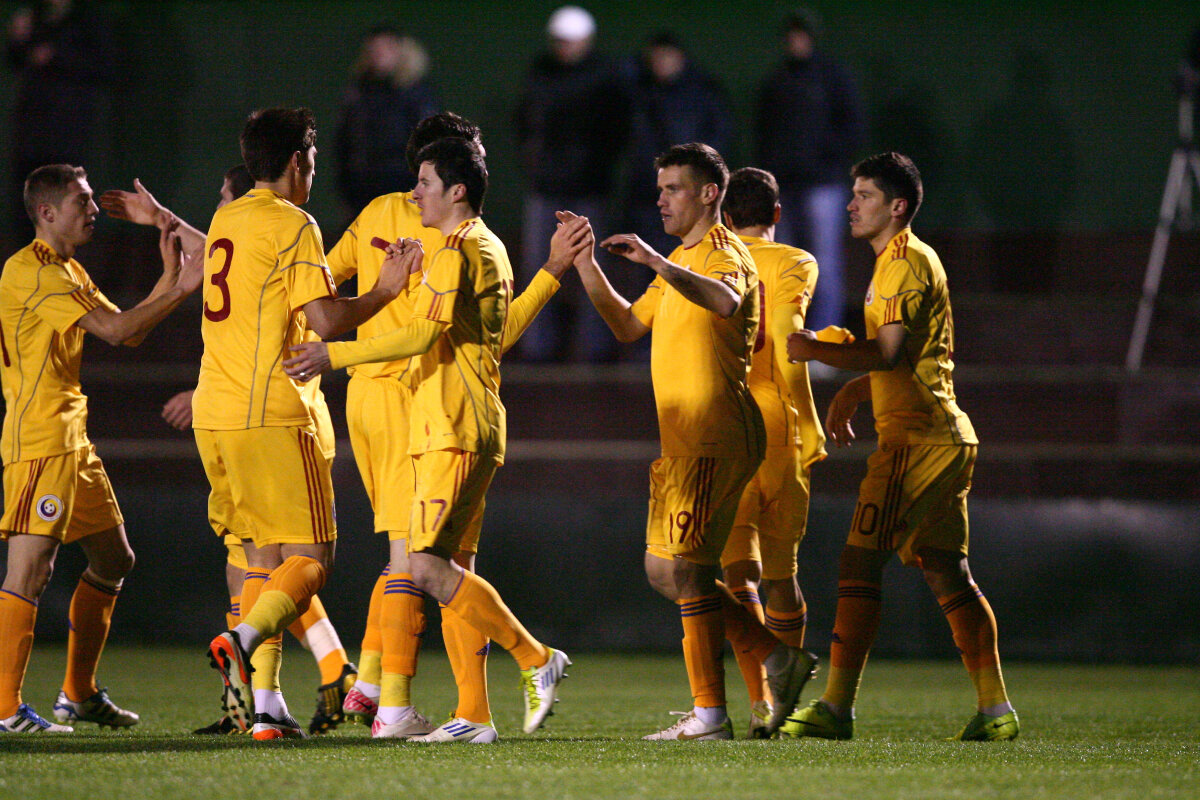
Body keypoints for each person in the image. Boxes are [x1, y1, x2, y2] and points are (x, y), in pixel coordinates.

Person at [285, 137, 581, 744]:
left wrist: (332, 353)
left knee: (419, 565)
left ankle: (533, 659)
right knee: (448, 568)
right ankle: (472, 714)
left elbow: (421, 337)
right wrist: (551, 274)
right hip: (460, 423)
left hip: (452, 426)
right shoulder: (481, 246)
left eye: (423, 182)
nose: (413, 191)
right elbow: (490, 339)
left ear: (456, 190)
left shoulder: (457, 250)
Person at [562, 143, 816, 740]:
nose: (661, 198)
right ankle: (777, 658)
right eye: (659, 188)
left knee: (689, 568)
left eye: (673, 187)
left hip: (717, 432)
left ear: (709, 193)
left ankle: (710, 714)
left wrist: (656, 261)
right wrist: (584, 264)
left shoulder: (727, 254)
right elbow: (626, 325)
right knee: (664, 570)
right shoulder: (682, 257)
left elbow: (726, 300)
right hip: (682, 439)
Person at [99, 164, 359, 736]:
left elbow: (278, 315)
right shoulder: (265, 235)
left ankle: (296, 677)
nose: (219, 210)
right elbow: (223, 262)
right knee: (258, 563)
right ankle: (270, 701)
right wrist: (161, 220)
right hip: (249, 413)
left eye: (224, 196)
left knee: (275, 563)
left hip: (274, 416)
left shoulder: (288, 236)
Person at [782, 152, 1018, 741]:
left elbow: (887, 353)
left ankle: (835, 707)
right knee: (946, 571)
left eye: (863, 195)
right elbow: (910, 357)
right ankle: (996, 712)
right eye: (852, 192)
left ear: (898, 206)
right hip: (937, 436)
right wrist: (858, 390)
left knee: (859, 561)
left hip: (917, 443)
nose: (851, 204)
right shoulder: (898, 262)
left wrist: (815, 351)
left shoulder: (905, 263)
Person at [194, 107, 410, 741]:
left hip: (216, 413)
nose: (312, 174)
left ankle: (265, 710)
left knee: (262, 559)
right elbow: (324, 320)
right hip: (271, 412)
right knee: (313, 557)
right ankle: (243, 636)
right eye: (312, 162)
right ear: (297, 162)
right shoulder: (294, 224)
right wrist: (386, 290)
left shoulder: (225, 217)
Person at [0, 163, 201, 733]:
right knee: (30, 572)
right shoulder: (32, 271)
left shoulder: (65, 268)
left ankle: (79, 693)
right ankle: (6, 709)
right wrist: (182, 287)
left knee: (114, 559)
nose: (92, 209)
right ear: (46, 213)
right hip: (41, 440)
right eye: (81, 201)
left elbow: (127, 327)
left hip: (71, 439)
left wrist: (169, 282)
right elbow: (116, 333)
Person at [718, 167, 833, 738]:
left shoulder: (708, 259)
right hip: (782, 430)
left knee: (735, 578)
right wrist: (811, 424)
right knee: (783, 577)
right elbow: (790, 347)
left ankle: (762, 698)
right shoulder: (796, 261)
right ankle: (780, 706)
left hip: (729, 428)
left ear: (723, 214)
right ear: (778, 214)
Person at [514, 5, 630, 362]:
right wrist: (531, 160)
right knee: (539, 266)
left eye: (571, 41)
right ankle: (535, 345)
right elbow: (523, 122)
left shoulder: (605, 77)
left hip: (588, 188)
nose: (564, 48)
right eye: (560, 41)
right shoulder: (540, 73)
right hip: (545, 188)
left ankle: (594, 346)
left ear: (586, 41)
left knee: (590, 268)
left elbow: (617, 129)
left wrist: (599, 165)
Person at [756, 9, 863, 332]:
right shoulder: (775, 81)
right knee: (784, 266)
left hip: (823, 186)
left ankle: (824, 341)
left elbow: (854, 128)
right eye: (791, 36)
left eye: (801, 35)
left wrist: (825, 158)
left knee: (825, 265)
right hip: (783, 188)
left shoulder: (833, 78)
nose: (796, 41)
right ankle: (786, 340)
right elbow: (763, 133)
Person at [5, 0, 111, 238]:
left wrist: (56, 56)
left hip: (66, 130)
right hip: (30, 129)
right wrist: (18, 38)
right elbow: (16, 60)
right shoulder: (35, 16)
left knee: (65, 199)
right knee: (27, 200)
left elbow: (103, 67)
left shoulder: (87, 21)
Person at [624, 32, 733, 261]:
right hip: (648, 196)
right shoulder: (640, 93)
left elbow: (721, 136)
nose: (661, 63)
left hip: (689, 196)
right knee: (649, 264)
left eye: (667, 56)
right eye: (656, 57)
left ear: (680, 58)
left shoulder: (703, 91)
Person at [335, 25, 439, 218]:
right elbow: (344, 143)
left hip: (404, 189)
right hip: (362, 191)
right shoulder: (358, 93)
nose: (379, 54)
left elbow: (429, 145)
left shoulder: (417, 94)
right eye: (374, 48)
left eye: (386, 47)